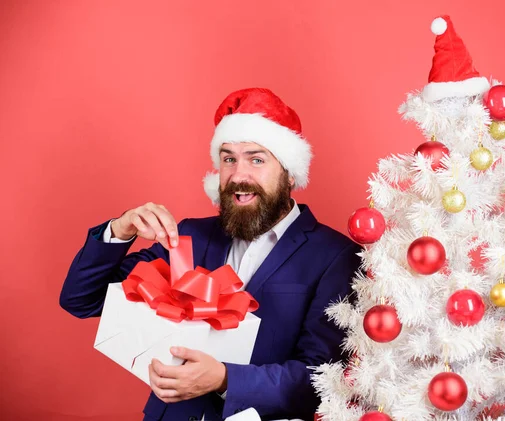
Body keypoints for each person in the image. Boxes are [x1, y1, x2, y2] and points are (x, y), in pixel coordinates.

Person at [59, 87, 362, 421]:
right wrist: (120, 230)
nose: (238, 175)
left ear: (289, 173)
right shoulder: (190, 235)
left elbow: (322, 379)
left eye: (256, 159)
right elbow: (83, 300)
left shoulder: (336, 256)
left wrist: (225, 379)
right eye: (228, 158)